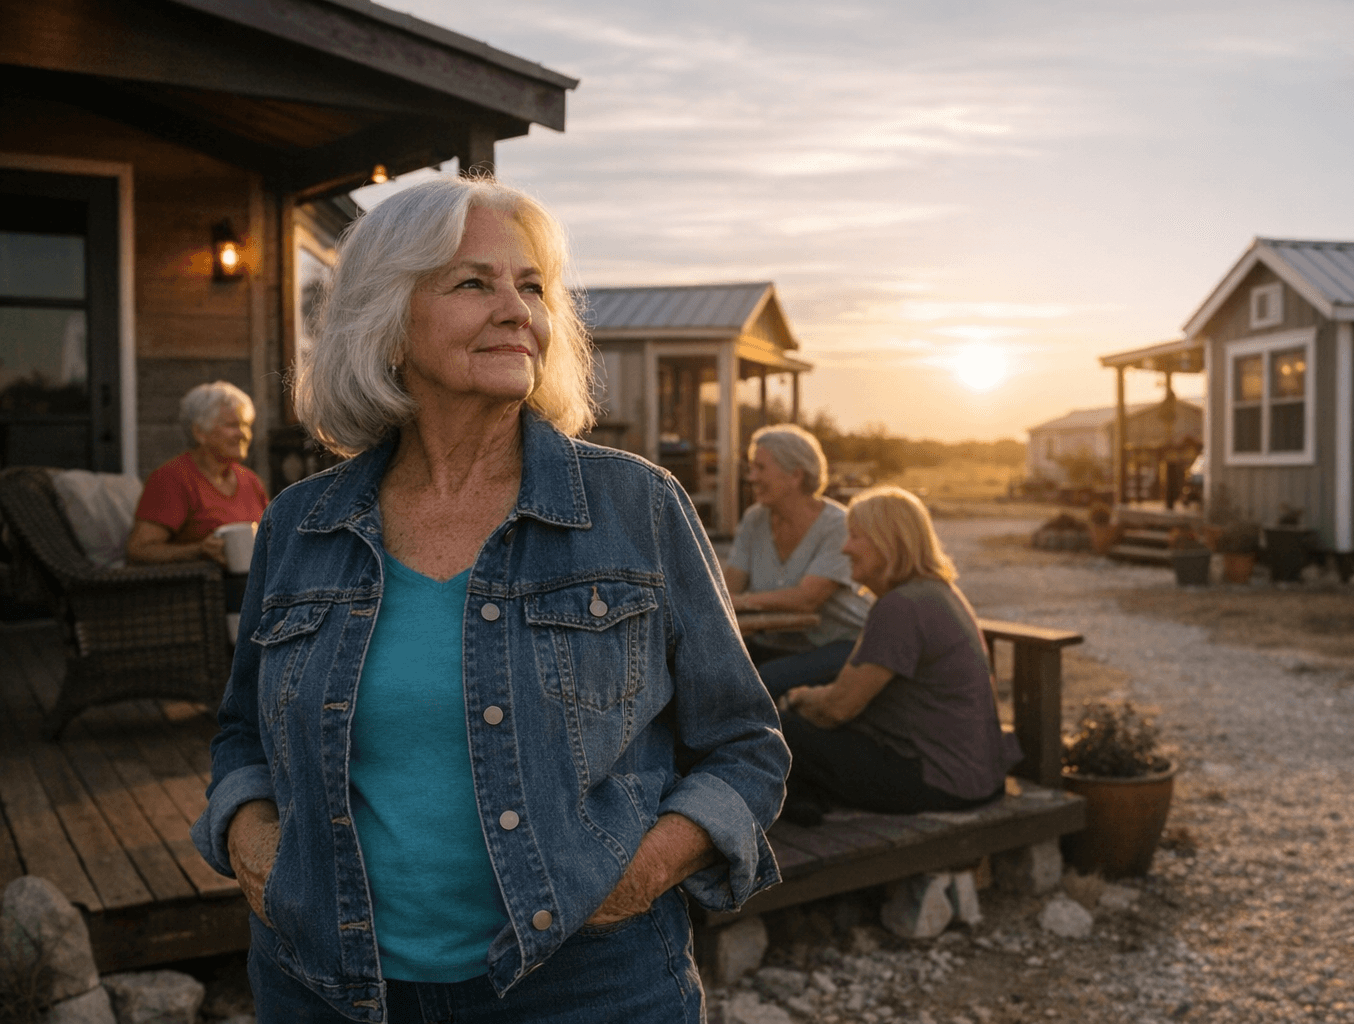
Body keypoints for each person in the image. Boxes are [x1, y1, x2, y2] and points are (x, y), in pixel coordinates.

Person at [190, 176, 789, 1024]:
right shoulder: (300, 524)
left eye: (532, 286)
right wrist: (252, 840)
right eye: (474, 282)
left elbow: (746, 747)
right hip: (324, 980)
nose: (517, 310)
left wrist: (635, 880)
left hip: (586, 982)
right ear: (386, 320)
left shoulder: (637, 509)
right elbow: (242, 732)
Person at [779, 486, 1019, 825]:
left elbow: (838, 708)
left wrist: (797, 698)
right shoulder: (936, 592)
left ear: (887, 542)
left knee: (778, 730)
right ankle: (807, 805)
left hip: (940, 781)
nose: (845, 548)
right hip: (976, 777)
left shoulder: (901, 607)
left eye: (855, 537)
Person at [724, 424, 870, 697]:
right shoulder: (755, 519)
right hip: (778, 641)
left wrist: (742, 602)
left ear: (795, 475)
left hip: (842, 643)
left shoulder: (838, 525)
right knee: (704, 674)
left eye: (760, 468)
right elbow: (728, 589)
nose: (751, 477)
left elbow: (807, 599)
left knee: (760, 687)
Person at [126, 381, 268, 568]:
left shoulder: (250, 481)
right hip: (204, 591)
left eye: (246, 425)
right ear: (200, 432)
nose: (243, 434)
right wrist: (199, 550)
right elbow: (138, 551)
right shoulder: (172, 479)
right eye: (232, 425)